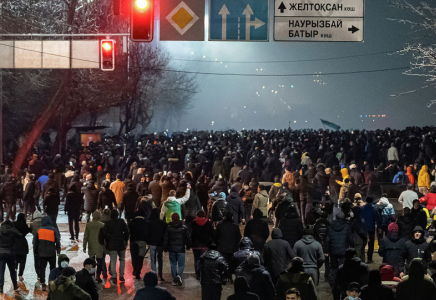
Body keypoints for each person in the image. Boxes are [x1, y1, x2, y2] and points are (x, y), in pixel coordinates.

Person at [102, 209, 129, 284]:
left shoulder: (108, 223)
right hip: (121, 243)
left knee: (113, 260)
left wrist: (108, 239)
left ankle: (114, 275)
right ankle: (121, 275)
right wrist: (125, 240)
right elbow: (127, 232)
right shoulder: (122, 221)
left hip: (112, 244)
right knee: (122, 259)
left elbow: (104, 233)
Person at [163, 212, 190, 286]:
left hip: (171, 249)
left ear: (172, 219)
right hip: (181, 249)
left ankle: (174, 279)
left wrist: (165, 247)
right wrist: (188, 246)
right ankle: (179, 276)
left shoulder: (168, 228)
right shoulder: (184, 227)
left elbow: (166, 239)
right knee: (181, 264)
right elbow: (187, 238)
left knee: (173, 264)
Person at [34, 216, 61, 291]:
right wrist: (58, 250)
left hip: (42, 254)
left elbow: (35, 243)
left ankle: (43, 284)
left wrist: (36, 252)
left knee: (42, 269)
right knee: (52, 268)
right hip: (52, 253)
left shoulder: (39, 230)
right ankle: (51, 282)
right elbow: (57, 241)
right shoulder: (53, 230)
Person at [326, 212, 352, 285]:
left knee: (333, 267)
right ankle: (342, 282)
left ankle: (333, 282)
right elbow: (350, 239)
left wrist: (327, 250)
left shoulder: (330, 226)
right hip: (344, 250)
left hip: (333, 250)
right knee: (342, 267)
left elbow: (328, 240)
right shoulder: (347, 226)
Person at [214, 211, 242, 277]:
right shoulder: (235, 226)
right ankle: (229, 276)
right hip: (233, 248)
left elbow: (215, 236)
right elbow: (239, 237)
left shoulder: (220, 225)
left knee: (223, 262)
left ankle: (224, 276)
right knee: (231, 263)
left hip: (222, 247)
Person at [190, 210, 214, 280]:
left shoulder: (193, 223)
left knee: (196, 259)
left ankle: (197, 274)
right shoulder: (208, 223)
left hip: (195, 245)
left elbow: (190, 234)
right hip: (205, 245)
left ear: (197, 215)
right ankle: (203, 273)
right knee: (204, 260)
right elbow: (212, 234)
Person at [0, 220, 21, 293]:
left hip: (1, 253)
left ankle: (0, 287)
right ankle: (15, 286)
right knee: (12, 271)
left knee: (1, 271)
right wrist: (13, 228)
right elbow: (20, 235)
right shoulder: (12, 231)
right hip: (10, 253)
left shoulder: (0, 230)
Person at [145, 209, 167, 281]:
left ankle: (154, 274)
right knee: (160, 259)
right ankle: (160, 274)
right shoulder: (162, 223)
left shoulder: (149, 223)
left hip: (152, 243)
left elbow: (147, 234)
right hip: (160, 244)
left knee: (153, 259)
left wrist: (147, 242)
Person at [83, 211, 105, 282]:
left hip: (91, 245)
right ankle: (98, 275)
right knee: (99, 262)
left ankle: (92, 276)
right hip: (100, 246)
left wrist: (84, 246)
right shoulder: (102, 225)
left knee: (91, 262)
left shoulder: (89, 225)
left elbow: (85, 236)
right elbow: (105, 237)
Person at [360, 197, 380, 263]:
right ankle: (369, 258)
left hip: (363, 228)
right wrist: (379, 228)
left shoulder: (362, 208)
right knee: (371, 244)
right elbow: (378, 219)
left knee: (362, 243)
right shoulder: (374, 209)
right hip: (371, 228)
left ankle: (362, 258)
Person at [128, 210, 148, 280]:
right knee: (140, 257)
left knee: (134, 257)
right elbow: (147, 233)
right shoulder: (145, 223)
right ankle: (138, 271)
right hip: (142, 242)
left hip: (133, 241)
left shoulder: (131, 223)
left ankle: (135, 269)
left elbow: (128, 232)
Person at [13, 213, 31, 282]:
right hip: (23, 243)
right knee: (23, 261)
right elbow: (28, 231)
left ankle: (14, 271)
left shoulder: (14, 225)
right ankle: (20, 275)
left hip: (15, 244)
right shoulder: (24, 225)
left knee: (16, 260)